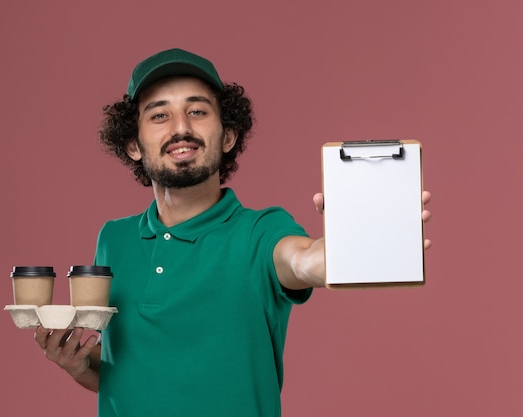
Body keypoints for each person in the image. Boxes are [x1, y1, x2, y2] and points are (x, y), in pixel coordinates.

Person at [34, 48, 432, 417]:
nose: (180, 128)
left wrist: (341, 252)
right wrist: (78, 365)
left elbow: (302, 259)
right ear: (133, 144)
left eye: (198, 111)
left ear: (228, 136)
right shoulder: (113, 239)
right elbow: (130, 376)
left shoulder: (261, 232)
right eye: (159, 115)